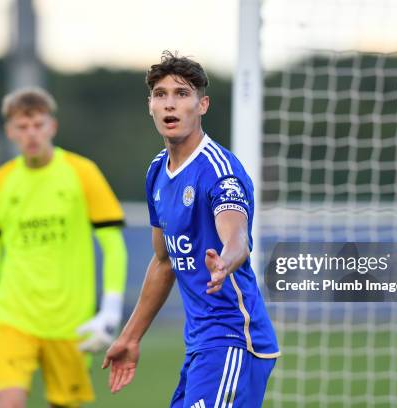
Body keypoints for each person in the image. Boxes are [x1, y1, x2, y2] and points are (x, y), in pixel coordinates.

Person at [103, 51, 280, 408]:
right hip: (201, 346)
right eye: (161, 94)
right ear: (150, 105)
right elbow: (164, 261)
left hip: (233, 340)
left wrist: (226, 259)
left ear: (202, 105)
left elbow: (237, 236)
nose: (170, 104)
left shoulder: (219, 170)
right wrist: (131, 337)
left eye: (182, 94)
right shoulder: (157, 171)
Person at [0, 87, 127, 408]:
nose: (31, 135)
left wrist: (110, 310)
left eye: (38, 125)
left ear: (52, 126)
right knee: (7, 402)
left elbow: (114, 246)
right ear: (10, 132)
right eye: (22, 128)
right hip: (13, 316)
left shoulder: (83, 173)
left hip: (70, 320)